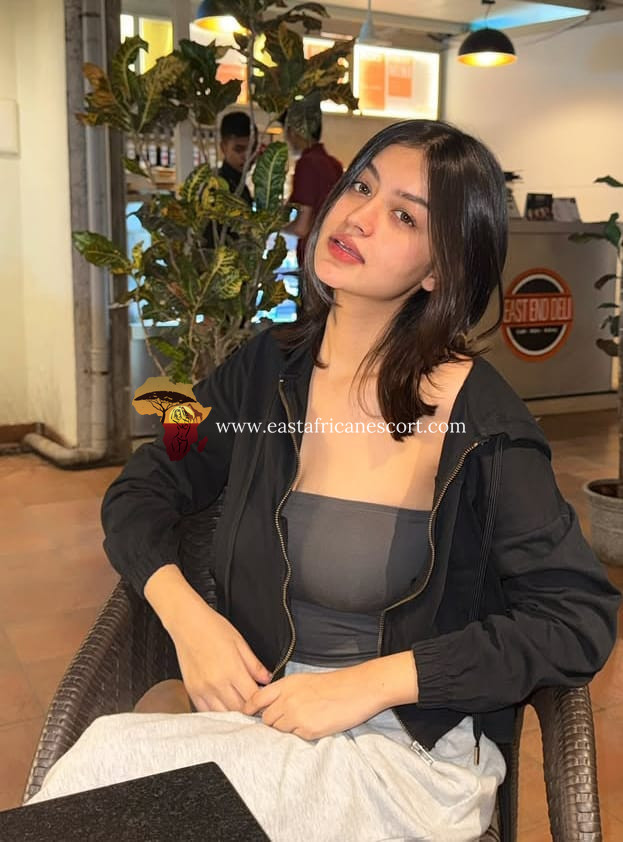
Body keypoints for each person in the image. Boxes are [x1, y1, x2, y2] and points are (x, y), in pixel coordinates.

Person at [27, 120, 620, 842]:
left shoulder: (482, 421)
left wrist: (372, 682)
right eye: (361, 186)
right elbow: (144, 485)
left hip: (399, 753)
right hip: (259, 720)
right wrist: (188, 618)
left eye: (404, 216)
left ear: (439, 270)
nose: (359, 216)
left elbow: (575, 617)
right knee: (93, 776)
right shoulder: (263, 369)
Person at [281, 97, 343, 273]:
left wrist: (275, 229)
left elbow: (302, 227)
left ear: (294, 130)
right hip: (331, 257)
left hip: (311, 260)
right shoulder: (334, 164)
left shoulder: (307, 163)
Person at [217, 110, 256, 206]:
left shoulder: (240, 184)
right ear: (223, 147)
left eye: (253, 149)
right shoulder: (218, 186)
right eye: (239, 149)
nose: (247, 156)